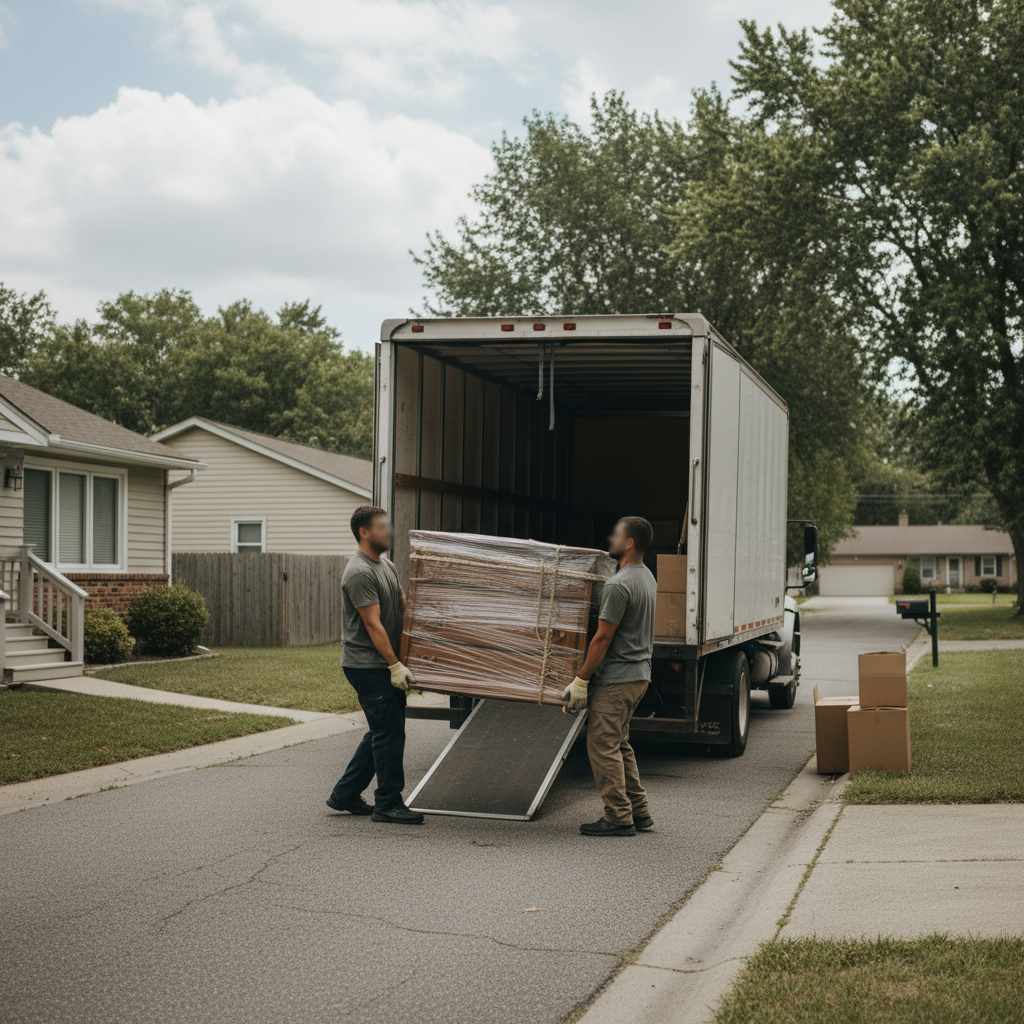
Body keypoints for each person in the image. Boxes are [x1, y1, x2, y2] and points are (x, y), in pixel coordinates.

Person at [326, 505, 423, 825]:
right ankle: (388, 803)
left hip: (382, 662)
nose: (388, 531)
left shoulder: (387, 565)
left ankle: (345, 794)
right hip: (366, 664)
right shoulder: (358, 572)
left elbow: (403, 606)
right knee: (389, 733)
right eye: (382, 527)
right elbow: (373, 625)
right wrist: (394, 665)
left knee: (383, 729)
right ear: (364, 532)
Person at [563, 516, 656, 837]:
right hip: (639, 674)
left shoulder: (618, 585)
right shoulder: (646, 577)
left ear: (629, 543)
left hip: (618, 677)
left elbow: (602, 638)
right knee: (619, 743)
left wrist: (581, 679)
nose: (611, 538)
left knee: (602, 744)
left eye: (616, 534)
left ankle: (618, 816)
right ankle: (639, 811)